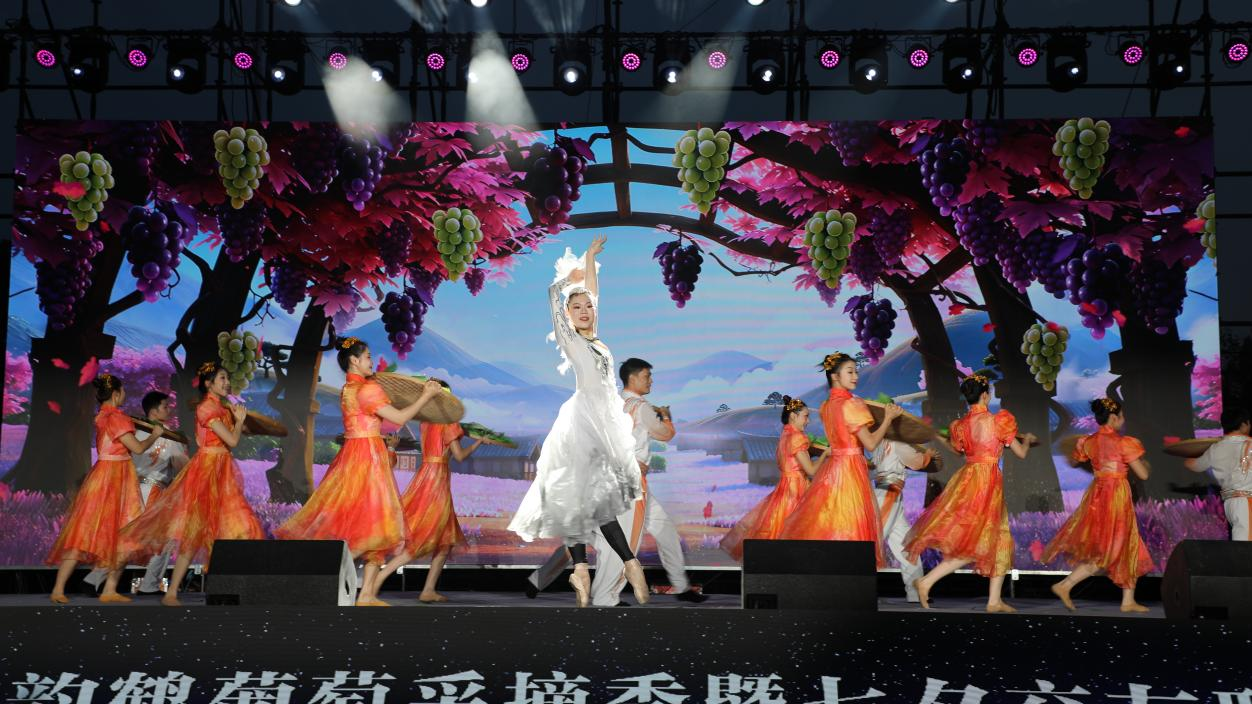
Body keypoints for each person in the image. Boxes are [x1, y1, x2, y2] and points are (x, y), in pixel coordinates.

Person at [508, 236, 649, 607]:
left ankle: (601, 568)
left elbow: (593, 294)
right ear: (568, 316)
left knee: (593, 501)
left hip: (605, 423)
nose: (585, 310)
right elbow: (553, 297)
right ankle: (599, 568)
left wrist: (589, 258)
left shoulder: (599, 342)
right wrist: (567, 282)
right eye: (577, 307)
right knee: (580, 498)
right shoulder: (570, 341)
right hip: (581, 423)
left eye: (588, 306)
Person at [277, 337, 445, 606]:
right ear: (354, 360)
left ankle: (366, 594)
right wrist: (426, 395)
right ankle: (329, 577)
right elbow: (399, 418)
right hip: (366, 458)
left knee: (374, 523)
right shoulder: (367, 390)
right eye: (367, 356)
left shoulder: (349, 388)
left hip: (356, 456)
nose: (370, 361)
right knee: (374, 522)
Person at [114, 362, 263, 606]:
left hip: (221, 470)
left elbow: (230, 436)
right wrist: (238, 422)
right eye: (222, 378)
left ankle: (229, 587)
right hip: (208, 471)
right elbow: (232, 441)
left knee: (236, 525)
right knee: (195, 531)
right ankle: (172, 592)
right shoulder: (206, 408)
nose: (227, 383)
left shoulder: (221, 408)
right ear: (208, 383)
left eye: (227, 378)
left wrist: (240, 421)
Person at [905, 374, 1036, 613]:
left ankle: (993, 600)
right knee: (978, 542)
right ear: (985, 395)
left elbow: (958, 450)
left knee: (996, 539)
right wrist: (1026, 440)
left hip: (968, 480)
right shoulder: (999, 421)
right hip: (986, 483)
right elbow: (1021, 453)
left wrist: (939, 438)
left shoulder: (961, 425)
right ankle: (927, 581)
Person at [47, 374, 166, 604]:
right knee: (117, 531)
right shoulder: (117, 418)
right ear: (116, 394)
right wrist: (155, 435)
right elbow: (138, 448)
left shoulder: (102, 415)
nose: (125, 394)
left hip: (106, 475)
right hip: (114, 478)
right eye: (123, 391)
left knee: (103, 533)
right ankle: (89, 588)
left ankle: (83, 589)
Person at [777, 352, 902, 566]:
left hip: (833, 468)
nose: (856, 376)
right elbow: (870, 444)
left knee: (830, 522)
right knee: (851, 526)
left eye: (856, 372)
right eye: (850, 372)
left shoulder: (826, 406)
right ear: (835, 376)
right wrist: (888, 419)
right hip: (851, 471)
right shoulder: (852, 404)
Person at [370, 393, 485, 603]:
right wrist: (478, 443)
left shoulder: (426, 423)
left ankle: (428, 589)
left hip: (425, 475)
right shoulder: (449, 423)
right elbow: (459, 456)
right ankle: (379, 578)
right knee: (424, 537)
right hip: (437, 481)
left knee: (445, 541)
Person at [1045, 398, 1152, 613]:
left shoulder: (1088, 442)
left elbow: (1075, 460)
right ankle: (1065, 585)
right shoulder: (1123, 443)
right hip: (1115, 496)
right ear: (1113, 418)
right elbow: (1143, 474)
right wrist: (1142, 464)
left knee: (1125, 543)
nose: (1123, 420)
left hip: (1099, 495)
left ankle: (1128, 600)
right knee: (1113, 548)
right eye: (1121, 416)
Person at [84, 391, 189, 594]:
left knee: (135, 537)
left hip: (132, 489)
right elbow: (180, 464)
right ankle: (147, 584)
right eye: (165, 406)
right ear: (154, 411)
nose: (169, 410)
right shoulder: (167, 435)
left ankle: (95, 578)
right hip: (152, 491)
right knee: (158, 538)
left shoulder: (132, 431)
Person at [721, 396, 826, 562]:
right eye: (805, 416)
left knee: (779, 534)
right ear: (793, 416)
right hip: (796, 490)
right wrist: (826, 454)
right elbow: (811, 470)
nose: (808, 421)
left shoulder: (785, 437)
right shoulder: (797, 438)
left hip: (784, 489)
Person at [870, 440, 935, 603]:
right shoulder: (897, 443)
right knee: (874, 541)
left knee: (906, 545)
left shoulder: (880, 443)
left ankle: (915, 593)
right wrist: (928, 455)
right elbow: (915, 462)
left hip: (890, 494)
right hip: (888, 494)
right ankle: (856, 587)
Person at [1184, 407, 1252, 541]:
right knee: (1246, 546)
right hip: (1246, 502)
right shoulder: (1249, 445)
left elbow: (1195, 465)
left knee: (1242, 542)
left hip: (1231, 503)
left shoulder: (1215, 448)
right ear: (1244, 424)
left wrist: (1185, 455)